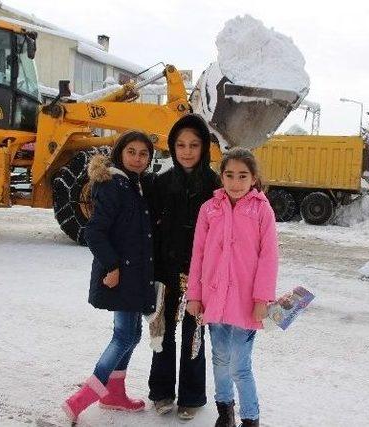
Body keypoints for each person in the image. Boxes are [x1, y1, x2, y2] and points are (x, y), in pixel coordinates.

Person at [62, 131, 157, 424]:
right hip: (121, 273)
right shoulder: (113, 185)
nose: (138, 158)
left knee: (131, 334)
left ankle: (115, 393)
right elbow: (94, 231)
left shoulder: (131, 184)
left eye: (144, 154)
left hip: (133, 274)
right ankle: (82, 400)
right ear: (120, 153)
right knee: (125, 336)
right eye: (132, 151)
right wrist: (112, 267)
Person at [186, 147, 278, 427]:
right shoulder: (209, 209)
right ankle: (224, 412)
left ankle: (250, 418)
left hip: (247, 304)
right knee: (220, 359)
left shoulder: (262, 209)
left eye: (242, 176)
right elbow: (198, 254)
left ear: (253, 178)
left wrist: (262, 298)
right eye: (229, 175)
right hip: (215, 299)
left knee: (240, 366)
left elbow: (269, 256)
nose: (235, 182)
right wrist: (194, 296)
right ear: (221, 176)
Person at [147, 114, 221, 421]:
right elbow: (149, 228)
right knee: (161, 332)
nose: (187, 151)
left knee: (194, 336)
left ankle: (191, 396)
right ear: (173, 147)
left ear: (203, 147)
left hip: (199, 276)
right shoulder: (162, 183)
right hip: (164, 271)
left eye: (193, 144)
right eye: (181, 145)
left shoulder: (216, 185)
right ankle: (162, 392)